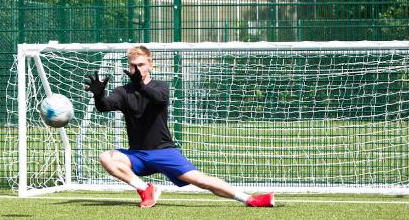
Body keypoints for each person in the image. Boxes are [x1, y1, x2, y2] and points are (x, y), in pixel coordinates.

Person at [84, 45, 274, 208]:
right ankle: (145, 189)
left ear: (150, 64)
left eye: (141, 64)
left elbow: (159, 99)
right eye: (133, 66)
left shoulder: (160, 86)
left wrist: (141, 86)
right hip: (138, 155)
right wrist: (98, 95)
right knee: (106, 157)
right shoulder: (122, 92)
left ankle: (250, 199)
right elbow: (104, 107)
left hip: (164, 152)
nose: (137, 69)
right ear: (129, 67)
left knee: (200, 180)